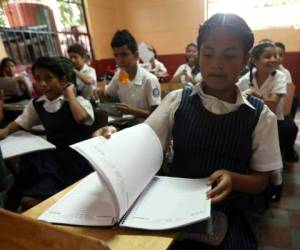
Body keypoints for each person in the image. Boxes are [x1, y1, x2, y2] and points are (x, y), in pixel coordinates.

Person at [94, 13, 282, 249]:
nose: (217, 63)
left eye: (230, 55)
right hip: (174, 205)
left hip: (228, 210)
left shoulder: (260, 115)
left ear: (245, 60)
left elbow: (261, 180)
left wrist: (234, 179)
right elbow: (143, 141)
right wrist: (111, 136)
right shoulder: (177, 101)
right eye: (208, 53)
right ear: (199, 55)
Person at [1, 56, 94, 210]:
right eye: (38, 79)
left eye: (48, 78)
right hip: (52, 158)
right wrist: (6, 130)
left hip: (75, 160)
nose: (43, 84)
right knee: (21, 185)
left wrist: (69, 95)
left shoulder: (78, 101)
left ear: (63, 80)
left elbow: (82, 117)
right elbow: (21, 121)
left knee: (30, 195)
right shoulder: (38, 103)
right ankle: (12, 217)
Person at [237, 42, 288, 202]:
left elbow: (272, 106)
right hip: (251, 121)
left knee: (272, 155)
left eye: (276, 56)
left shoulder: (280, 76)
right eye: (268, 56)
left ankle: (277, 183)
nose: (274, 59)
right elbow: (237, 98)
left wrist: (255, 95)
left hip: (274, 122)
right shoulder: (246, 79)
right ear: (254, 60)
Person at [93, 29, 161, 120]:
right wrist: (100, 93)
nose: (119, 60)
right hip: (128, 124)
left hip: (148, 127)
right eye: (116, 55)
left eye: (124, 55)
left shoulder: (149, 80)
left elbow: (156, 115)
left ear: (136, 56)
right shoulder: (120, 75)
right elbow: (107, 96)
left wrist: (131, 111)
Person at [275, 41, 299, 162]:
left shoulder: (285, 73)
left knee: (291, 128)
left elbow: (288, 95)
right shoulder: (259, 71)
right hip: (266, 108)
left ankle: (289, 149)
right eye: (275, 54)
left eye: (281, 55)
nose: (278, 58)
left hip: (281, 108)